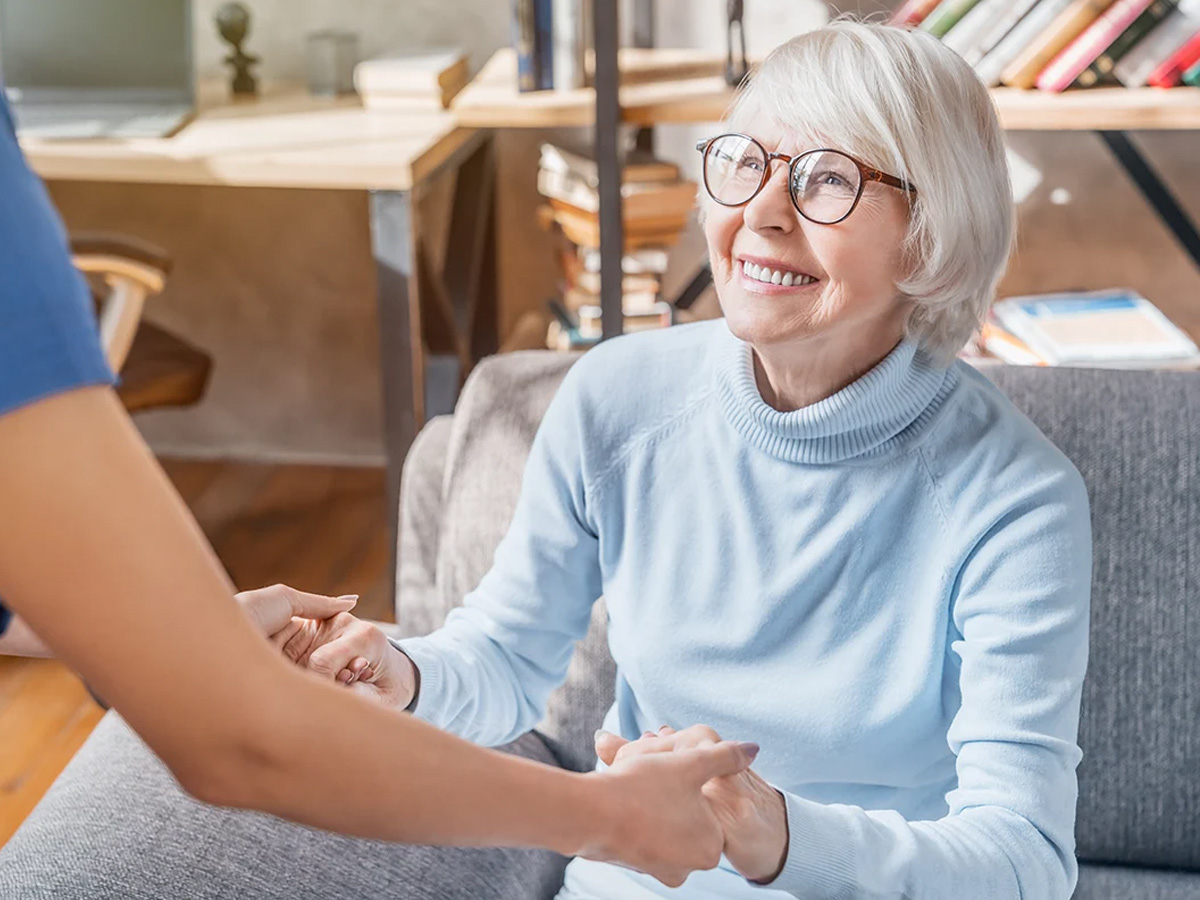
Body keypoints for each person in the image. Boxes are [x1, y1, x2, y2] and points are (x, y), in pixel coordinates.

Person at [278, 21, 1093, 900]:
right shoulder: (618, 399)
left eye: (828, 179)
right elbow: (507, 659)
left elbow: (1023, 860)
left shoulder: (1018, 501)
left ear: (932, 236)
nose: (763, 215)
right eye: (747, 162)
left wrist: (775, 832)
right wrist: (397, 673)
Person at [0, 83, 759, 887]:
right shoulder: (616, 399)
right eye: (739, 165)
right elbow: (241, 740)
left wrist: (192, 638)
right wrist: (605, 815)